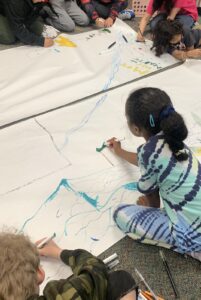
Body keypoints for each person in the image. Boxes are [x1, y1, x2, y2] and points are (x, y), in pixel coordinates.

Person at [108, 87, 201, 261]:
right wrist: (120, 152)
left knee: (119, 213)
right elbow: (147, 160)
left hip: (194, 234)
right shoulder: (173, 138)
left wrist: (149, 210)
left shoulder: (149, 153)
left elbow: (151, 193)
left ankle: (189, 247)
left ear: (135, 129)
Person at [0, 231, 138, 300]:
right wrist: (58, 252)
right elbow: (94, 269)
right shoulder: (58, 294)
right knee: (120, 279)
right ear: (40, 274)